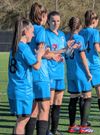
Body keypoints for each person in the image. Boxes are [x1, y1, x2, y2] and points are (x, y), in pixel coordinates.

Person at [7, 18, 45, 135]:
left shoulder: (16, 46)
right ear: (24, 31)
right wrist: (40, 54)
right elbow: (37, 66)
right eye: (32, 32)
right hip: (22, 90)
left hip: (14, 88)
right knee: (21, 122)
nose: (33, 35)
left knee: (21, 120)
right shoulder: (23, 47)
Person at [25, 3, 56, 135]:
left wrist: (49, 54)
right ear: (42, 16)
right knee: (44, 109)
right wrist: (50, 54)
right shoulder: (40, 30)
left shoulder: (27, 28)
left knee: (33, 109)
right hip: (40, 74)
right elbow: (40, 52)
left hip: (29, 73)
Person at [79, 10, 100, 127]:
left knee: (85, 96)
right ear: (94, 20)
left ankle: (83, 121)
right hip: (94, 65)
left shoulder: (81, 32)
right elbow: (97, 48)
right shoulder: (95, 32)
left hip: (83, 66)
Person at [45, 11, 72, 134]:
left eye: (58, 21)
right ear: (48, 22)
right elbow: (45, 54)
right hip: (50, 73)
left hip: (60, 73)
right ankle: (46, 131)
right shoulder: (45, 34)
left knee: (58, 103)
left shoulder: (62, 34)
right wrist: (56, 53)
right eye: (53, 21)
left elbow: (64, 53)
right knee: (48, 105)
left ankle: (54, 130)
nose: (56, 23)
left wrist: (70, 48)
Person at [65, 17, 93, 133]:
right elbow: (82, 57)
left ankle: (72, 126)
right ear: (80, 27)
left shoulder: (66, 38)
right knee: (87, 97)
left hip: (70, 72)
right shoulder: (79, 38)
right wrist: (88, 72)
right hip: (80, 72)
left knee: (73, 98)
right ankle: (83, 126)